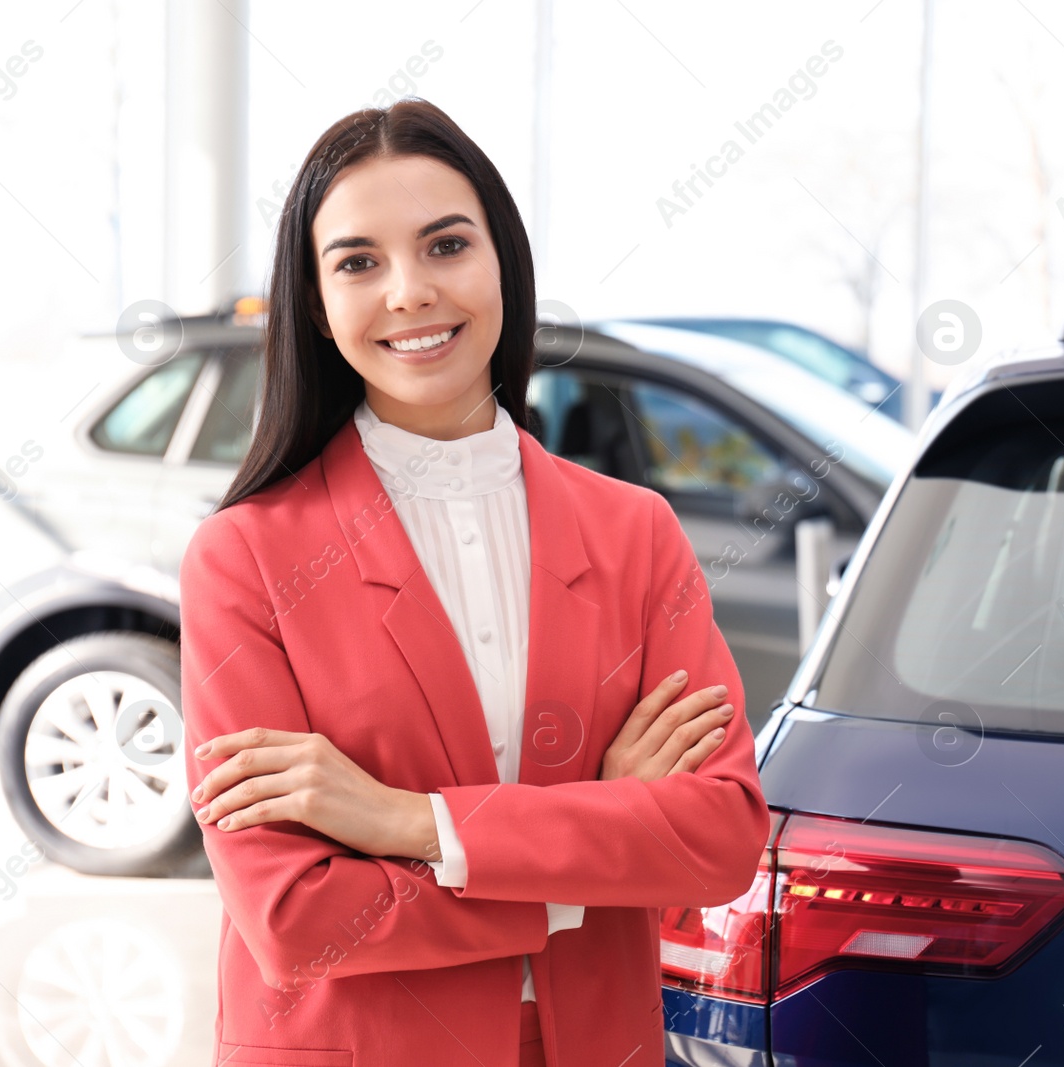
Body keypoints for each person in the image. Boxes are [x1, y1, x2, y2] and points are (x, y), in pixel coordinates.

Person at [178, 98, 770, 1067]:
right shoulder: (244, 558)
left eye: (445, 245)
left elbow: (717, 838)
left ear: (504, 266)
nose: (408, 290)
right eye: (358, 261)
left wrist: (408, 820)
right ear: (318, 308)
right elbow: (293, 915)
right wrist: (592, 841)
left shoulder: (635, 533)